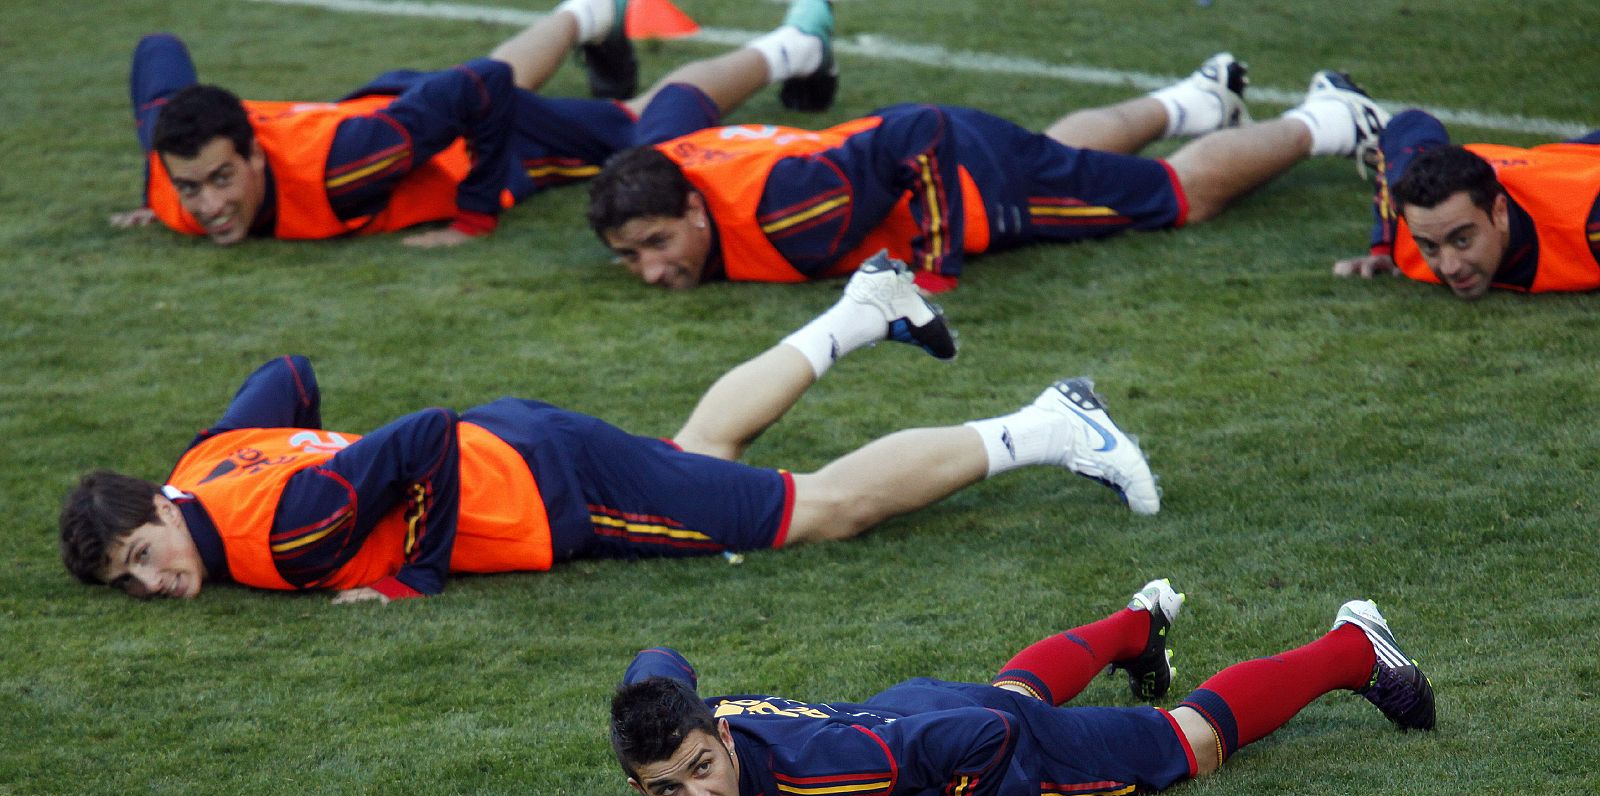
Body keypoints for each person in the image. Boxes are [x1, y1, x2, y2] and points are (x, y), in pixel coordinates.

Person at [58, 255, 1162, 603]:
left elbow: (423, 434)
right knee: (698, 463)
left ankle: (1047, 426)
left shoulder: (280, 540)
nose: (154, 581)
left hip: (550, 486)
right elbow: (286, 374)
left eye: (145, 553)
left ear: (162, 507)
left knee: (814, 513)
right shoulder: (203, 464)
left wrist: (415, 576)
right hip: (529, 446)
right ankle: (861, 310)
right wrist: (326, 448)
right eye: (130, 578)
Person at [609, 580, 1436, 796]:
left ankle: (1353, 645)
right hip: (904, 710)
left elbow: (978, 739)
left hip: (984, 751)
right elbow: (656, 663)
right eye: (669, 786)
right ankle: (1137, 625)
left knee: (1188, 743)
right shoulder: (672, 718)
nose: (700, 793)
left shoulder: (825, 777)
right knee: (1010, 691)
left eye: (701, 770)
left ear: (719, 730)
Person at [586, 57, 1390, 290]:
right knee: (1058, 153)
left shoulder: (785, 216)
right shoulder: (655, 154)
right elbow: (682, 91)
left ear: (696, 207)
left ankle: (1327, 118)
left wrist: (934, 271)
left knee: (1176, 198)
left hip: (971, 181)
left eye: (656, 244)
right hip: (938, 148)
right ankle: (1196, 100)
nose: (650, 270)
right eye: (629, 256)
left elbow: (920, 132)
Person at [112, 0, 838, 247]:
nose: (205, 206)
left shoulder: (345, 168)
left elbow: (485, 88)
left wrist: (475, 217)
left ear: (257, 158)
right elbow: (157, 48)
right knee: (475, 85)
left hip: (468, 138)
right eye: (189, 188)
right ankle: (589, 14)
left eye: (220, 179)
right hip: (403, 112)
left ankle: (797, 43)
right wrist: (159, 195)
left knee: (636, 137)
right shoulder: (168, 158)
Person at [1332, 109, 1600, 299]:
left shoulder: (1586, 225)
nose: (1449, 267)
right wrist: (1384, 245)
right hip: (1559, 163)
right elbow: (1410, 123)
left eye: (1462, 241)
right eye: (1430, 246)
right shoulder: (1410, 216)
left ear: (1500, 212)